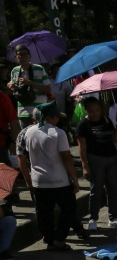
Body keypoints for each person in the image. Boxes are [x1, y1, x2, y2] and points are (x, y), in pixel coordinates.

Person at [18, 102, 79, 251]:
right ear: (52, 117)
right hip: (59, 181)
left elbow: (21, 159)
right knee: (68, 208)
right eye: (57, 117)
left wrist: (28, 180)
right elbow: (66, 157)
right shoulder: (58, 133)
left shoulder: (26, 133)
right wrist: (75, 180)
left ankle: (49, 238)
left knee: (44, 212)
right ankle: (58, 240)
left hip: (39, 181)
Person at [77, 97, 117, 230]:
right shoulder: (83, 125)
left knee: (113, 188)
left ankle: (113, 217)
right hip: (95, 159)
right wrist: (85, 166)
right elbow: (82, 147)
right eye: (92, 111)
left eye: (97, 110)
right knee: (96, 189)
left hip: (112, 158)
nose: (95, 113)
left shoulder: (106, 120)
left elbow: (115, 138)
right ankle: (93, 218)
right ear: (86, 110)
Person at [8, 45, 51, 130]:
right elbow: (14, 91)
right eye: (19, 55)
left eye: (25, 54)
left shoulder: (39, 69)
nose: (22, 57)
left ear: (30, 56)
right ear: (16, 57)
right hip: (23, 111)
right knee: (26, 139)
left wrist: (30, 83)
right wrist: (12, 86)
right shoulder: (15, 71)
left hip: (39, 110)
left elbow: (48, 90)